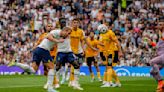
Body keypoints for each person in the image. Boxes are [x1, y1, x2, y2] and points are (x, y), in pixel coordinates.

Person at [55, 26, 84, 90]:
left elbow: (81, 39)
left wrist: (81, 49)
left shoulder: (70, 35)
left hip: (69, 53)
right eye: (68, 33)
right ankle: (56, 82)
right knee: (57, 67)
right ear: (65, 31)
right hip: (61, 52)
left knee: (76, 65)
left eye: (70, 33)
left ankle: (76, 83)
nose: (69, 34)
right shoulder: (58, 34)